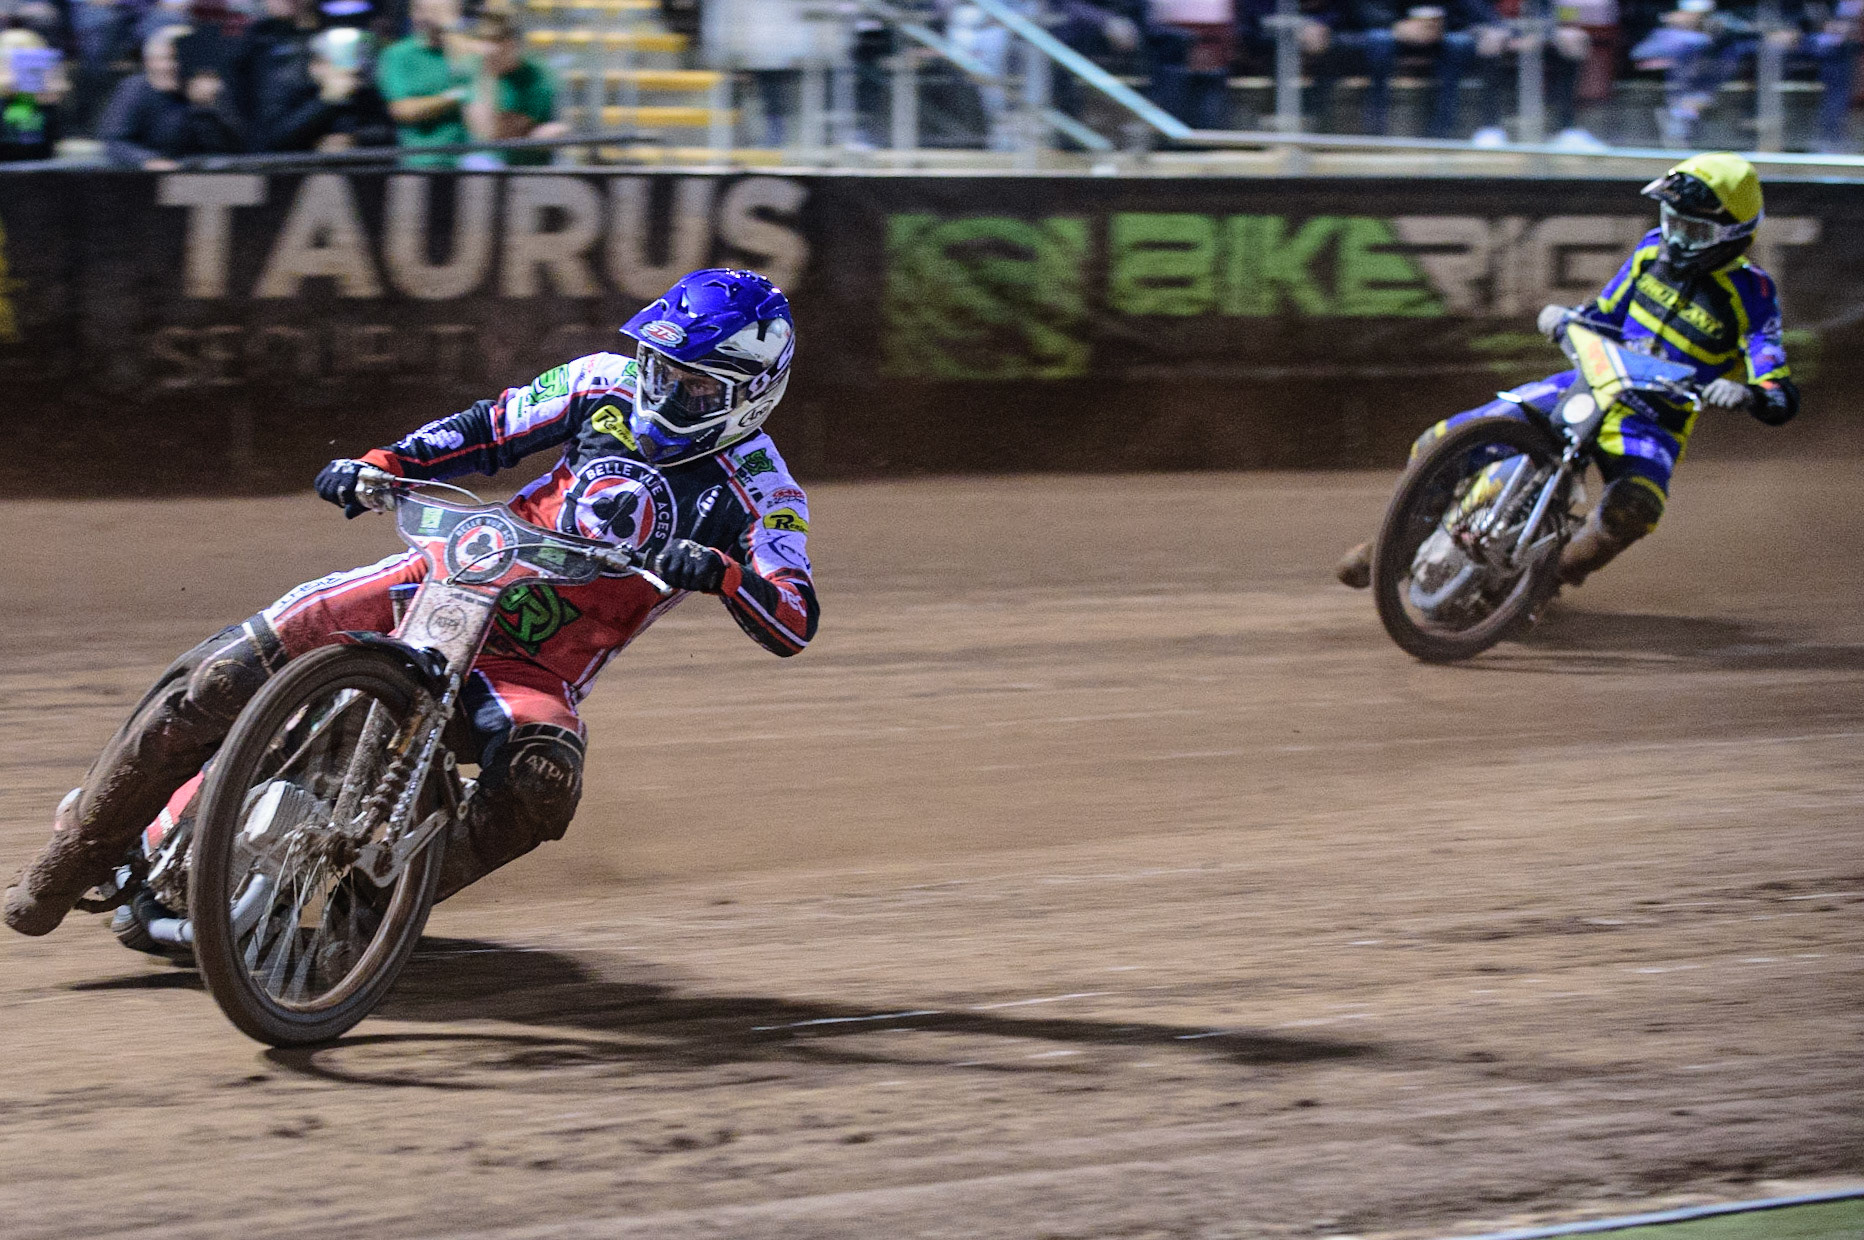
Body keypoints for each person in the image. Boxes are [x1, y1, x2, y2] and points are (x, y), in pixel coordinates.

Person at [5, 269, 820, 940]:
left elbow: (794, 614)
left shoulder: (764, 493)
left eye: (693, 385)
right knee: (221, 678)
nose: (664, 390)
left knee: (543, 782)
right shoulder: (600, 383)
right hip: (450, 578)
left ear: (752, 394)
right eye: (659, 366)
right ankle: (75, 856)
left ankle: (365, 923)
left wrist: (722, 573)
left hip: (532, 665)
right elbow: (493, 425)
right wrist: (382, 463)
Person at [1335, 153, 1798, 590]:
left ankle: (1548, 582)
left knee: (1634, 509)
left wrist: (1752, 395)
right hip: (1590, 383)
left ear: (1733, 235)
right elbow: (1605, 313)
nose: (1676, 240)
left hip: (1651, 422)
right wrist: (1566, 318)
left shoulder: (1753, 294)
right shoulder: (1650, 251)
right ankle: (1393, 548)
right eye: (1672, 223)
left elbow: (1773, 376)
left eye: (1693, 231)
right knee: (1443, 441)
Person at [97, 26, 243, 167]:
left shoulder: (209, 90)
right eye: (161, 59)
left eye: (175, 59)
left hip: (196, 176)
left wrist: (206, 106)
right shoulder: (134, 89)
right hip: (148, 176)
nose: (168, 67)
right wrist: (149, 160)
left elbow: (232, 148)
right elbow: (115, 141)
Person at [259, 25, 394, 151]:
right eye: (338, 63)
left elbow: (388, 132)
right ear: (316, 65)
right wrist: (325, 102)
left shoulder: (364, 89)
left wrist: (356, 139)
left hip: (360, 166)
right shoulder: (290, 85)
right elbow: (273, 139)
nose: (349, 70)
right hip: (299, 167)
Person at [461, 10, 566, 166]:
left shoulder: (537, 75)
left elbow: (510, 130)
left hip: (529, 169)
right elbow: (486, 131)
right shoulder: (473, 70)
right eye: (483, 40)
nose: (488, 49)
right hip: (482, 163)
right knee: (477, 162)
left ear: (513, 43)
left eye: (496, 40)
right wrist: (488, 76)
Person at [375, 0, 469, 165]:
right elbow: (403, 110)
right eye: (421, 9)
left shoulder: (472, 51)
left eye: (438, 10)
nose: (429, 17)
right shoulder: (397, 55)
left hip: (472, 160)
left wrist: (452, 33)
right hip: (420, 162)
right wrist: (457, 96)